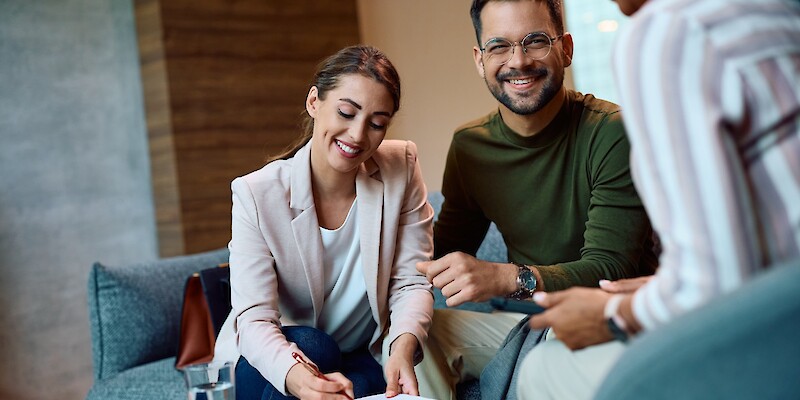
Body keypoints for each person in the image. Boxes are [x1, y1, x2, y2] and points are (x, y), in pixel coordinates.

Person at [517, 0, 800, 398]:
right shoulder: (769, 10)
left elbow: (716, 283)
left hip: (777, 337)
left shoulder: (667, 31)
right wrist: (661, 287)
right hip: (777, 304)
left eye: (534, 41)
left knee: (546, 366)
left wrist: (612, 314)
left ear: (565, 48)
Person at [413, 1, 658, 399]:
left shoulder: (612, 132)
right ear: (479, 59)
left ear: (566, 48)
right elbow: (441, 253)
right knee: (414, 336)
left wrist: (508, 278)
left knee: (553, 360)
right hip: (528, 323)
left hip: (606, 320)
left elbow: (610, 268)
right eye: (499, 46)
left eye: (536, 41)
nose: (519, 61)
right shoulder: (470, 147)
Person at [212, 45, 436, 400]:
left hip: (358, 356)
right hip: (273, 357)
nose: (358, 135)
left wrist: (401, 347)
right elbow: (255, 320)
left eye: (377, 123)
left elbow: (411, 281)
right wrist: (297, 378)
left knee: (358, 384)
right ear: (314, 102)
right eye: (346, 112)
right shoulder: (257, 193)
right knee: (316, 346)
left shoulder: (401, 167)